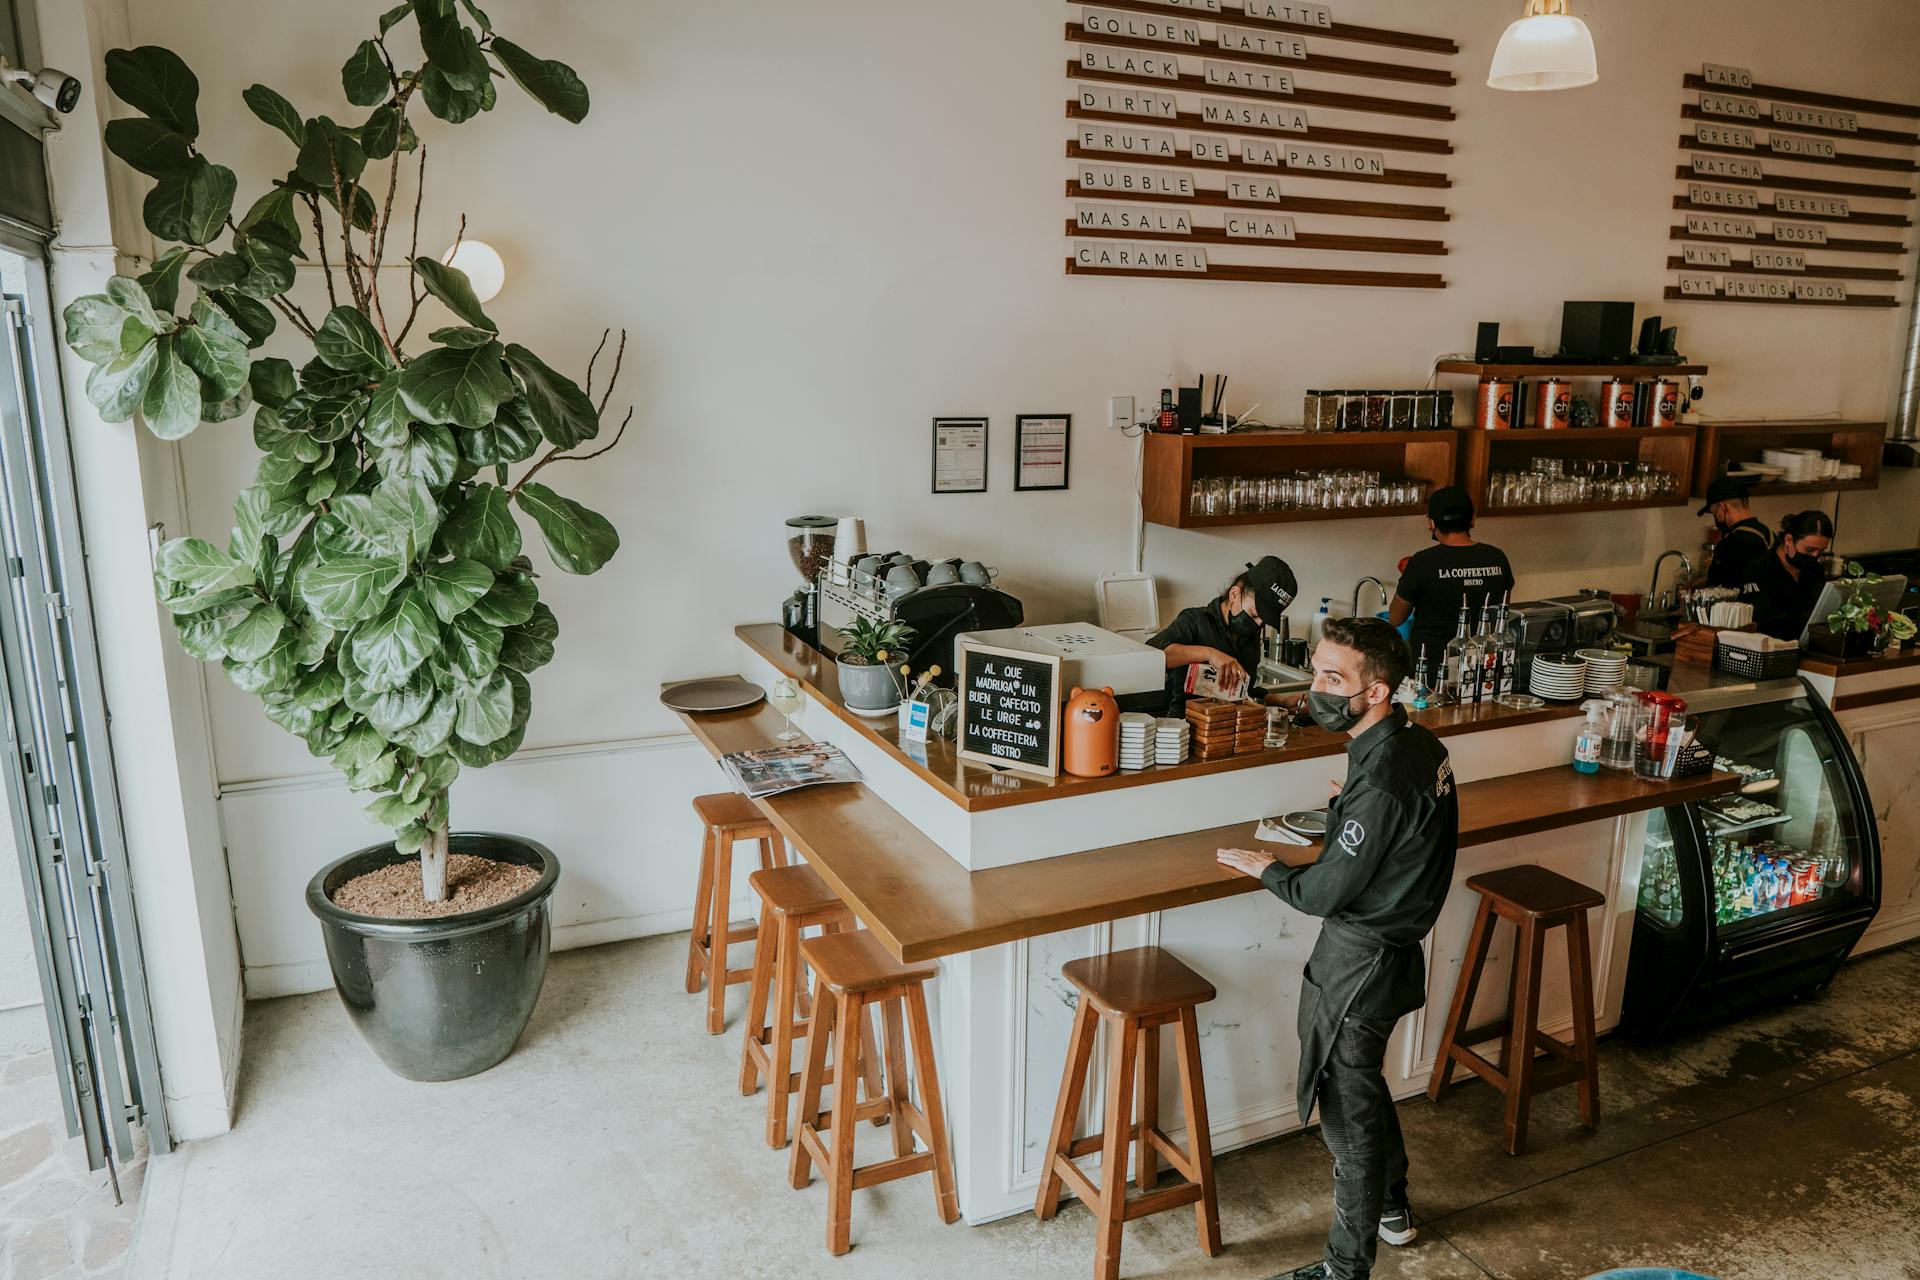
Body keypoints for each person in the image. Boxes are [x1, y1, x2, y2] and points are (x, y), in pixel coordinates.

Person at [1216, 617, 1458, 1280]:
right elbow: (1404, 828)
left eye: (1332, 678)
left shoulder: (1382, 780)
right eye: (1317, 670)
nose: (1315, 687)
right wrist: (1352, 811)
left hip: (1361, 963)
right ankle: (1394, 1211)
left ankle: (1344, 1270)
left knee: (1347, 1118)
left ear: (1375, 691)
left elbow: (1323, 893)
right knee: (1364, 1086)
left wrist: (1268, 868)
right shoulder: (1418, 745)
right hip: (1393, 950)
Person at [1386, 487, 1514, 680]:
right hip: (1484, 668)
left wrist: (1409, 579)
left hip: (1431, 671)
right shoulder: (1497, 558)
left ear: (1431, 523)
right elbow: (1502, 611)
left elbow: (1395, 618)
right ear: (1472, 519)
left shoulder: (1422, 562)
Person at [1148, 555, 1297, 714]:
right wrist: (1209, 654)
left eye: (1264, 619)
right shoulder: (1195, 621)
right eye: (1254, 615)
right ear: (1234, 594)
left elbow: (1242, 693)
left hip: (1225, 729)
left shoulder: (1251, 635)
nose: (1259, 624)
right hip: (1182, 728)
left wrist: (1280, 701)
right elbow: (1152, 654)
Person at [1751, 510, 1834, 641]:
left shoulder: (1814, 570)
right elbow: (1763, 622)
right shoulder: (1759, 570)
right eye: (1809, 550)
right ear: (1789, 540)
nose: (1815, 556)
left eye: (1821, 551)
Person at [1699, 476, 1773, 590]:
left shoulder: (1730, 544)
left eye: (1714, 514)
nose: (1716, 519)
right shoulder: (1767, 533)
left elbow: (1717, 591)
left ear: (1722, 507)